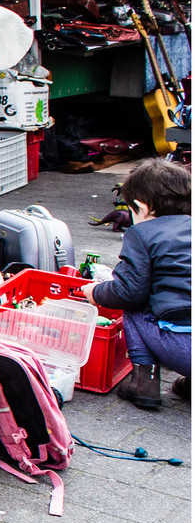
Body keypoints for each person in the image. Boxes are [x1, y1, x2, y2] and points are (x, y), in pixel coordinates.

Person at [79, 160, 192, 408]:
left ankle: (145, 384)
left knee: (135, 305)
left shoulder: (141, 234)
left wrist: (95, 291)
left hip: (185, 349)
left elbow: (128, 292)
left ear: (140, 207)